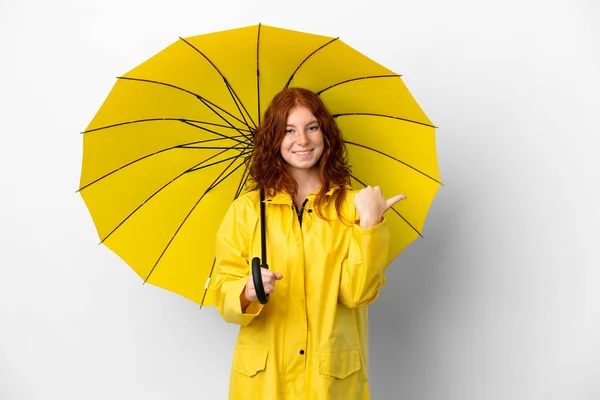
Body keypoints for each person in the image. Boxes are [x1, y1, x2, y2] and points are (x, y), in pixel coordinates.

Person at [213, 87, 405, 400]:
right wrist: (247, 291)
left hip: (329, 380)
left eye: (311, 127)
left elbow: (357, 294)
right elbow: (225, 298)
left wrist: (370, 224)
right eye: (288, 130)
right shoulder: (247, 211)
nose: (302, 140)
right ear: (273, 140)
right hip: (264, 382)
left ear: (326, 134)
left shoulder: (354, 206)